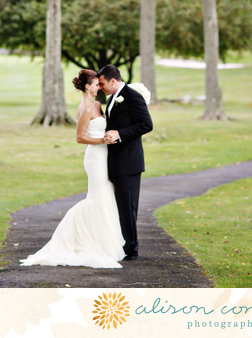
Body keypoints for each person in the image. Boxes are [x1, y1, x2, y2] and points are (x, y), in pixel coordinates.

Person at [20, 69, 125, 268]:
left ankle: (103, 240)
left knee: (104, 194)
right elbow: (80, 137)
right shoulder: (84, 109)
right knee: (96, 196)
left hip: (105, 154)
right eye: (96, 85)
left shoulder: (97, 104)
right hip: (95, 157)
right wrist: (102, 140)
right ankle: (79, 236)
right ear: (87, 86)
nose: (99, 88)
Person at [98, 64, 153, 260]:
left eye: (103, 83)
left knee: (128, 207)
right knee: (119, 206)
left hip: (129, 162)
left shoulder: (132, 96)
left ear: (113, 81)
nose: (101, 87)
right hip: (115, 161)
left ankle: (132, 250)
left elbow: (147, 124)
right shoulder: (113, 98)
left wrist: (120, 134)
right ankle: (122, 245)